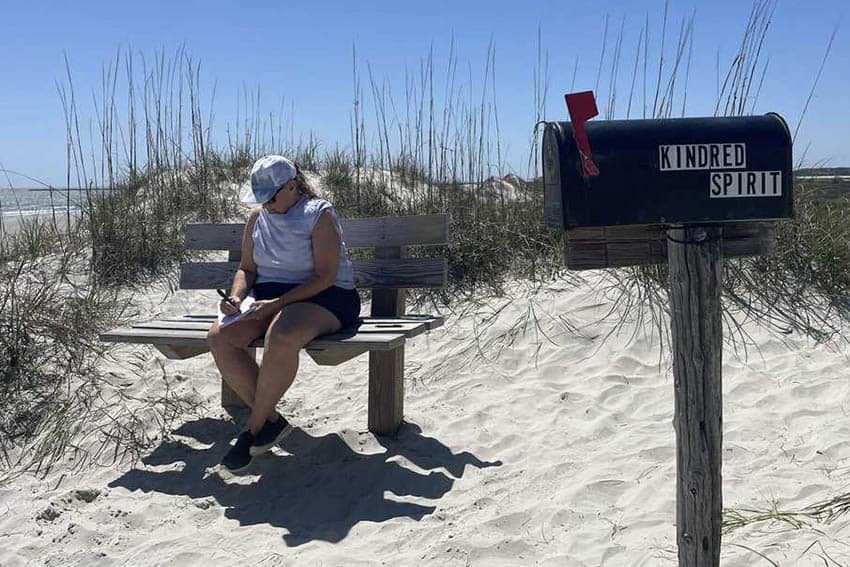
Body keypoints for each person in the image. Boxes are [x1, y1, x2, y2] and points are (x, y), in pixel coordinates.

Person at [206, 155, 360, 472]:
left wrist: (276, 304)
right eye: (261, 199)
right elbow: (247, 269)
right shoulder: (257, 218)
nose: (267, 205)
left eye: (271, 197)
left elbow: (325, 276)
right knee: (220, 336)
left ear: (292, 186)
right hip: (268, 297)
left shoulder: (319, 215)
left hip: (326, 296)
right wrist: (236, 297)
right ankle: (272, 422)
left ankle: (251, 431)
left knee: (282, 333)